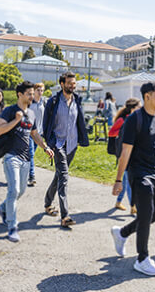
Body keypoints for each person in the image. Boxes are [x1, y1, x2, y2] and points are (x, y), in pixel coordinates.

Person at [110, 82, 155, 276]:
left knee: (154, 216)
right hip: (138, 173)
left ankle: (122, 233)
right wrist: (119, 179)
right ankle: (142, 258)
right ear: (147, 96)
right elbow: (125, 151)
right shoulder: (134, 120)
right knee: (145, 214)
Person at [0, 81, 54, 242]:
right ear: (19, 94)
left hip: (26, 159)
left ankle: (3, 209)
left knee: (20, 191)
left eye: (32, 93)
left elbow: (34, 134)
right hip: (11, 157)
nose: (32, 96)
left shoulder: (31, 114)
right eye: (29, 93)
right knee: (13, 190)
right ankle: (12, 227)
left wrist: (45, 147)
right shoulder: (10, 111)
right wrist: (15, 121)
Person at [42, 72, 89, 228]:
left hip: (72, 144)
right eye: (69, 83)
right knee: (64, 176)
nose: (72, 86)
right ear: (62, 84)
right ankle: (65, 215)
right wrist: (49, 143)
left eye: (74, 83)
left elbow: (79, 121)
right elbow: (46, 124)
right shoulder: (53, 101)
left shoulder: (77, 101)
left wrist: (82, 138)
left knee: (59, 175)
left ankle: (48, 202)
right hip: (58, 144)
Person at [108, 97, 141, 212]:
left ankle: (118, 202)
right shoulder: (122, 120)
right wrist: (124, 132)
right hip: (124, 153)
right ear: (132, 108)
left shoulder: (136, 119)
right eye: (138, 107)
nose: (140, 108)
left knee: (126, 180)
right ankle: (133, 206)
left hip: (133, 153)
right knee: (128, 181)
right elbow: (111, 132)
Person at [27, 82, 47, 187]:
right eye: (38, 90)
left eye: (41, 90)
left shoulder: (43, 102)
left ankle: (22, 171)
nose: (40, 92)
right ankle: (32, 176)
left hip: (39, 133)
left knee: (30, 155)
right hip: (29, 132)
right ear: (34, 91)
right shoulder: (29, 103)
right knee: (30, 154)